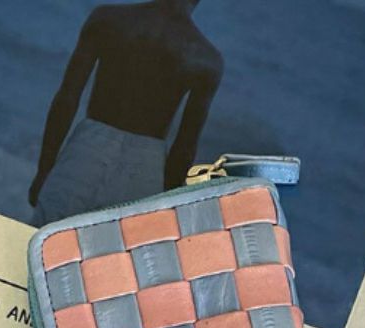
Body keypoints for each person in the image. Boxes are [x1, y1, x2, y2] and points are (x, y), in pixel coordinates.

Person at [28, 0, 223, 225]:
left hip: (88, 149)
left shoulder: (109, 19)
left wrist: (44, 169)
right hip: (146, 166)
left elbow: (67, 98)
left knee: (44, 235)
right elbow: (184, 147)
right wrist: (168, 208)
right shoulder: (206, 59)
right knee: (114, 245)